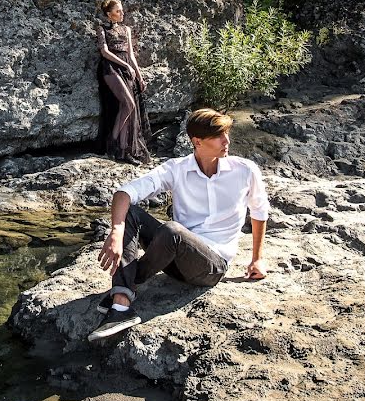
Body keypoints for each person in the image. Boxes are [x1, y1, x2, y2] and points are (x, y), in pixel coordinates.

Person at [88, 108, 270, 341]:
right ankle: (121, 306)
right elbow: (125, 192)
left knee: (173, 231)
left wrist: (257, 258)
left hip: (211, 267)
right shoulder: (177, 169)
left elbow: (259, 210)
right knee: (132, 213)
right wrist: (116, 231)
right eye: (218, 136)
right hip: (173, 258)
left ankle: (123, 288)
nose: (227, 141)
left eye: (227, 133)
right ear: (197, 141)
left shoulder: (244, 170)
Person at [96, 0, 151, 164]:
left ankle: (123, 151)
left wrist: (139, 76)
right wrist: (125, 64)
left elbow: (132, 56)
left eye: (122, 10)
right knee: (129, 104)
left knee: (129, 109)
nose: (122, 13)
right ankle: (112, 141)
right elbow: (104, 52)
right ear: (108, 14)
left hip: (127, 69)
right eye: (118, 11)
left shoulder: (126, 29)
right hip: (110, 68)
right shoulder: (101, 28)